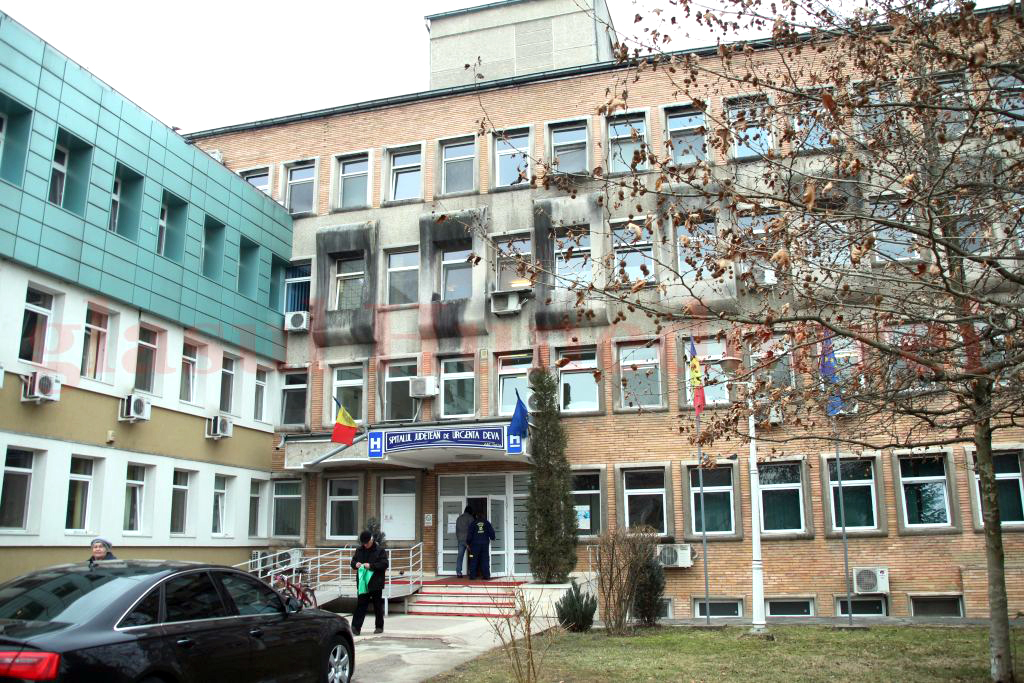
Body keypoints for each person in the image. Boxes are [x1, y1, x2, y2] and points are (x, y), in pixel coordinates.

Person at [349, 530, 389, 635]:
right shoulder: (359, 550)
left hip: (376, 582)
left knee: (377, 605)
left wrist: (371, 566)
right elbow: (352, 562)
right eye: (364, 543)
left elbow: (384, 564)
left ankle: (379, 627)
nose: (365, 545)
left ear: (371, 540)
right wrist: (355, 564)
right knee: (361, 605)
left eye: (367, 543)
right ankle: (355, 627)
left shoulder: (380, 550)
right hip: (363, 583)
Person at [466, 513, 496, 580]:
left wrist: (468, 543)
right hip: (485, 544)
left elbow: (469, 535)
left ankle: (472, 576)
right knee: (485, 560)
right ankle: (486, 575)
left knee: (473, 560)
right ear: (483, 516)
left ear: (476, 516)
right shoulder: (487, 523)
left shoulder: (473, 523)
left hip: (474, 545)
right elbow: (492, 533)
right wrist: (493, 537)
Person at [455, 505, 475, 579]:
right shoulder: (470, 518)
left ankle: (458, 572)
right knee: (471, 556)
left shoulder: (459, 518)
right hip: (468, 541)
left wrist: (459, 538)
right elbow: (473, 529)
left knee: (460, 556)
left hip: (460, 540)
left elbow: (456, 530)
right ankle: (471, 571)